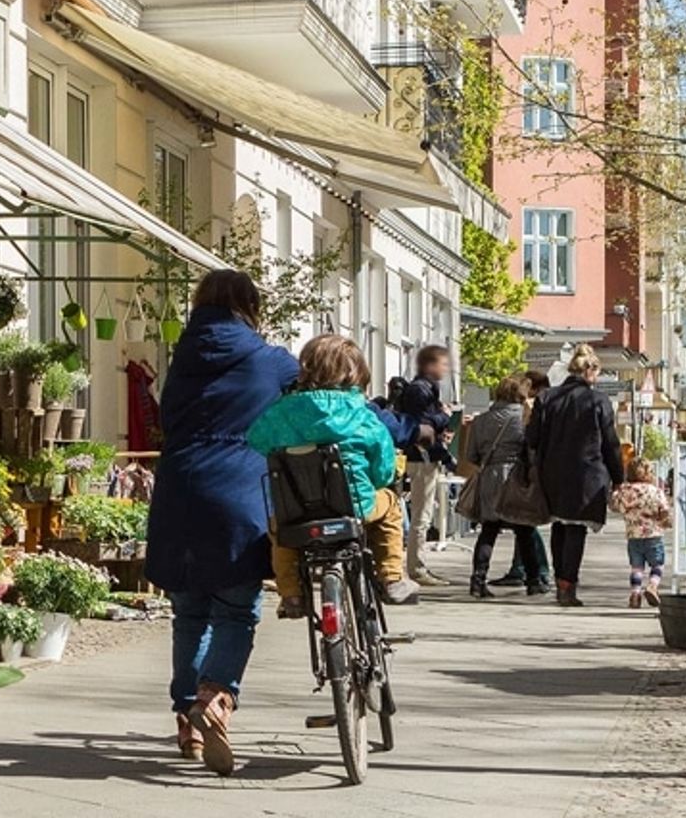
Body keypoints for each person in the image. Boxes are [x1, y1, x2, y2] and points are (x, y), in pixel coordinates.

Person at [146, 270, 298, 776]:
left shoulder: (180, 360)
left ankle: (187, 723)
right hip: (238, 493)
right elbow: (313, 398)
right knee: (235, 610)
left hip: (178, 490)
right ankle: (214, 698)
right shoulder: (269, 360)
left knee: (189, 613)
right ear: (249, 306)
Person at [246, 334, 418, 616]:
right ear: (357, 374)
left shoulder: (282, 412)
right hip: (355, 506)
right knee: (390, 504)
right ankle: (391, 577)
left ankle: (291, 595)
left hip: (298, 509)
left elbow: (256, 440)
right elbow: (383, 469)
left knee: (280, 529)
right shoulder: (363, 415)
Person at [527, 344, 625, 607]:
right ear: (590, 371)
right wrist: (619, 478)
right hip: (586, 474)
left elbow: (532, 438)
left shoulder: (547, 398)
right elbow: (610, 443)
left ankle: (561, 581)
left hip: (552, 472)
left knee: (560, 525)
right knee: (576, 528)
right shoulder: (598, 401)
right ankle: (567, 586)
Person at [464, 374, 546, 598]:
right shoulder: (523, 417)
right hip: (515, 478)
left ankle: (477, 581)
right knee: (525, 531)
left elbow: (471, 455)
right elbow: (532, 450)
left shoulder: (481, 421)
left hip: (489, 477)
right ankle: (533, 581)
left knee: (488, 531)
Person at [395, 345, 456, 587]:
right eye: (443, 364)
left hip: (420, 455)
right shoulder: (422, 391)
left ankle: (412, 565)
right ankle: (416, 567)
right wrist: (445, 416)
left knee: (419, 513)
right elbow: (423, 424)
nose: (446, 369)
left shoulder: (422, 389)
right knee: (422, 513)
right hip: (422, 457)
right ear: (430, 365)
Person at [491, 369, 557, 592]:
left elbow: (529, 438)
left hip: (528, 473)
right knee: (524, 523)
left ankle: (536, 571)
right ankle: (524, 570)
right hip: (531, 471)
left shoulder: (539, 407)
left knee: (526, 524)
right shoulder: (539, 406)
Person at [613, 458, 673, 608]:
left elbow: (615, 506)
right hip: (653, 535)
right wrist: (666, 521)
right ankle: (652, 586)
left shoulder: (624, 491)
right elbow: (664, 510)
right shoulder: (655, 491)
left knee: (637, 567)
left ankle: (635, 593)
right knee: (657, 564)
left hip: (633, 536)